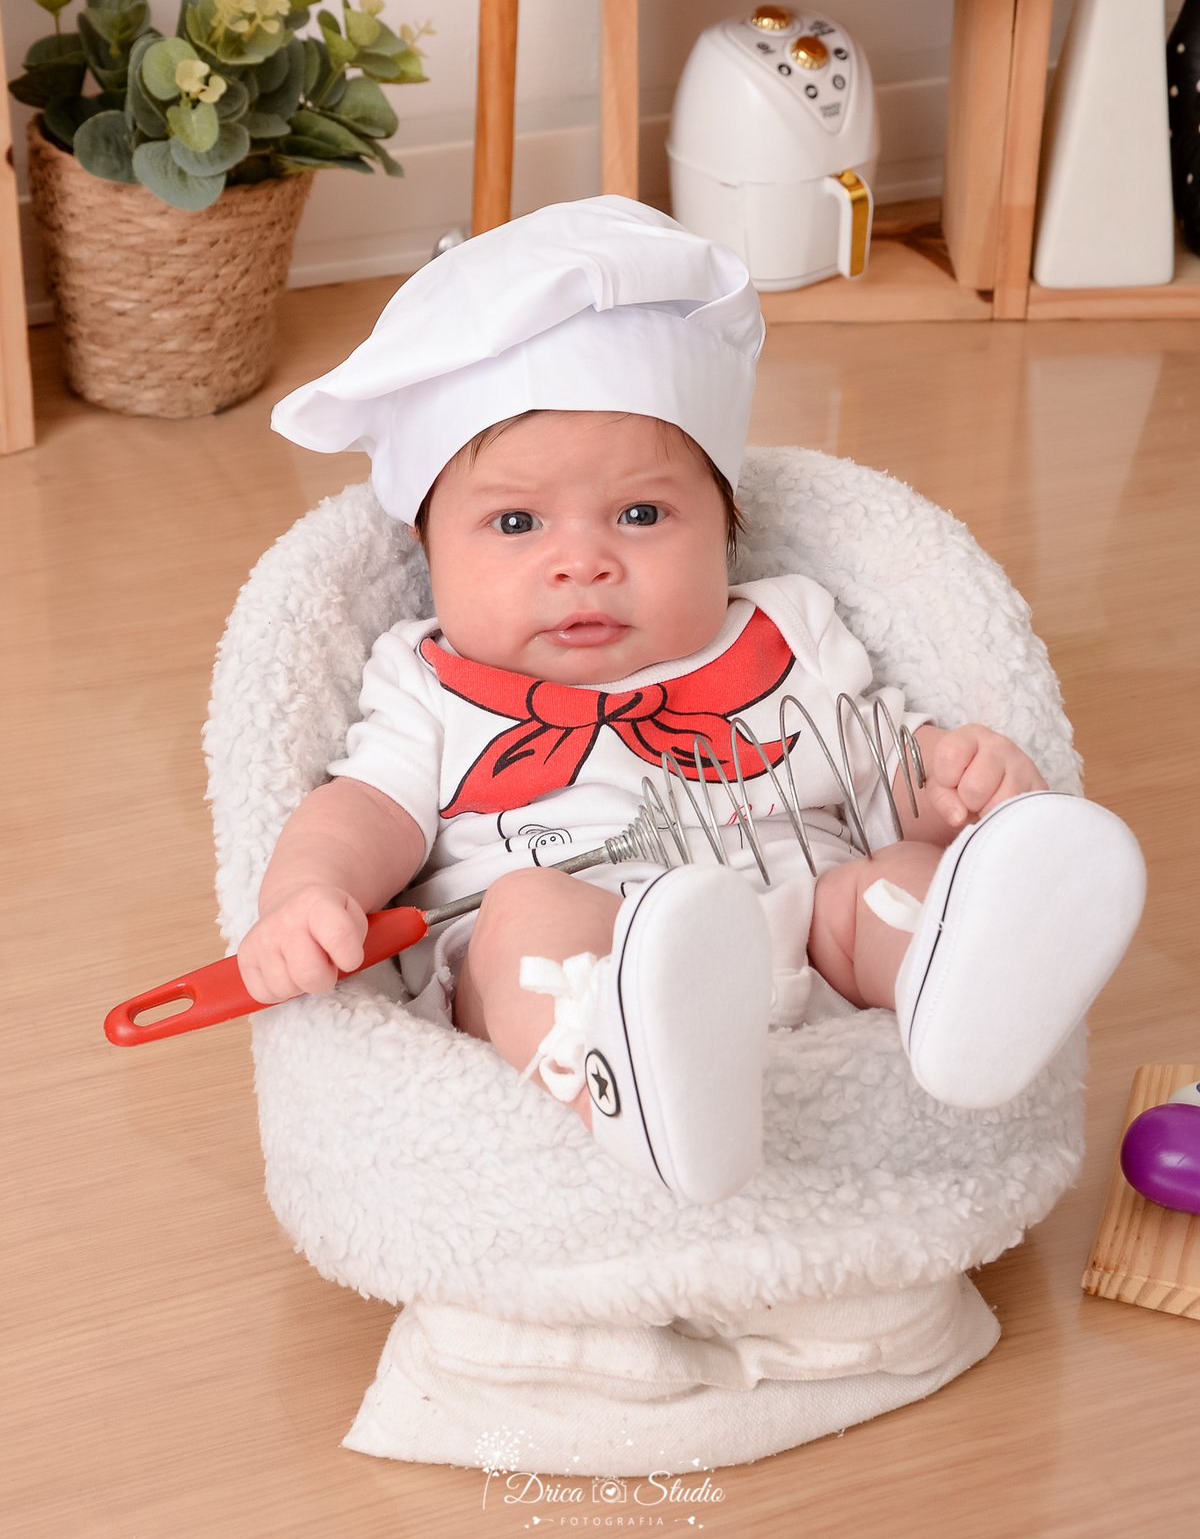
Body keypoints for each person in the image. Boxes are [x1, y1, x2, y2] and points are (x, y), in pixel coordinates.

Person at [241, 196, 1145, 1205]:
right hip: (581, 965)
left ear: (727, 523)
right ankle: (628, 1077)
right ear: (425, 548)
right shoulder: (428, 680)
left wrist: (957, 787)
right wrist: (304, 894)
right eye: (514, 522)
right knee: (523, 915)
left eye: (641, 513)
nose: (581, 561)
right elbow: (361, 810)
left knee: (889, 878)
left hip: (799, 936)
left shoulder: (786, 629)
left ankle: (972, 988)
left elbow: (883, 775)